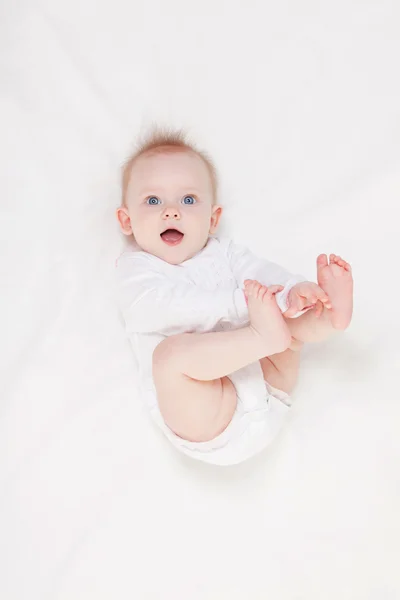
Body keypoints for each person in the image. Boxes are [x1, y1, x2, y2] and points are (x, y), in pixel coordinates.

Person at [115, 129, 353, 465]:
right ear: (127, 220)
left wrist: (292, 292)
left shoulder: (224, 253)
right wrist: (243, 305)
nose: (171, 212)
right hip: (209, 415)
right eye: (153, 201)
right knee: (168, 358)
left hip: (269, 384)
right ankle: (264, 335)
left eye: (188, 200)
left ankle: (328, 316)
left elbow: (264, 274)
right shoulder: (135, 269)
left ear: (213, 218)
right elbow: (163, 308)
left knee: (288, 316)